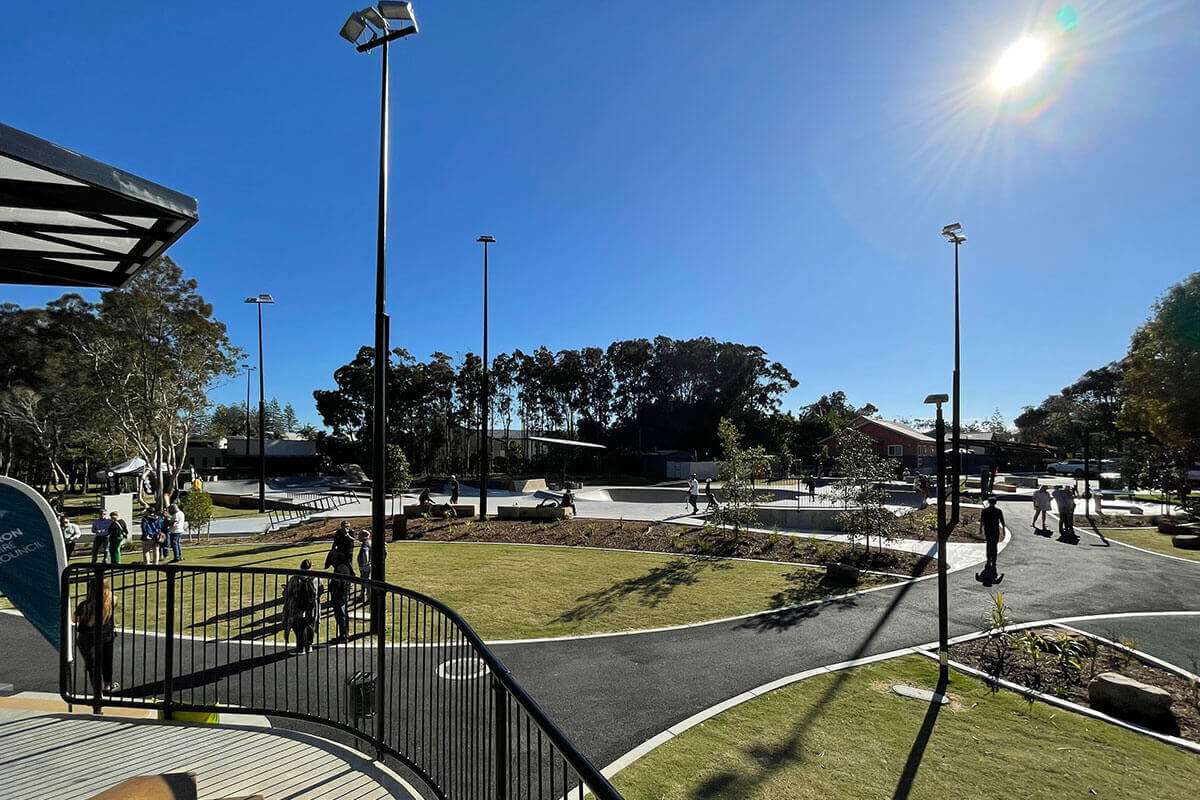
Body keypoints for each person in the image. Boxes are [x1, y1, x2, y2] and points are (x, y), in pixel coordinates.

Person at [74, 577, 117, 693]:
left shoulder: (84, 605)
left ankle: (97, 690)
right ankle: (108, 685)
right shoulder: (112, 601)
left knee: (92, 664)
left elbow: (75, 619)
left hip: (87, 637)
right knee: (107, 661)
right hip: (107, 635)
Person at [282, 559, 321, 654]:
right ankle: (309, 645)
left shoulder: (295, 579)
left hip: (297, 607)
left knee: (298, 627)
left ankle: (300, 648)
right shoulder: (316, 578)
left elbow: (288, 592)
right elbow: (321, 590)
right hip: (312, 607)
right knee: (310, 626)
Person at [324, 546, 353, 643]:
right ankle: (343, 635)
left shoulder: (341, 567)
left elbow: (343, 582)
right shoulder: (343, 565)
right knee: (341, 614)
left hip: (340, 594)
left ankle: (344, 636)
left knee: (341, 614)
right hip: (341, 593)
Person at [979, 496, 1005, 569]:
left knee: (989, 543)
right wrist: (1003, 529)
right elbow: (1002, 520)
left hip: (988, 529)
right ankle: (994, 559)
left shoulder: (985, 511)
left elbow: (982, 521)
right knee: (994, 544)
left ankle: (988, 558)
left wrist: (980, 528)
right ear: (995, 503)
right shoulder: (998, 511)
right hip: (995, 529)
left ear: (989, 502)